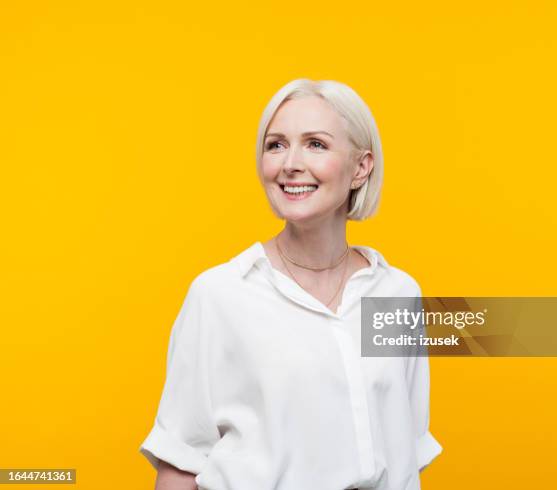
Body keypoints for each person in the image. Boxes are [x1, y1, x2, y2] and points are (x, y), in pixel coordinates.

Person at [139, 78, 442, 490]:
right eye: (276, 144)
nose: (290, 163)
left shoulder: (397, 294)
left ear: (361, 167)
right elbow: (180, 461)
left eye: (315, 144)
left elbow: (404, 448)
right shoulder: (221, 295)